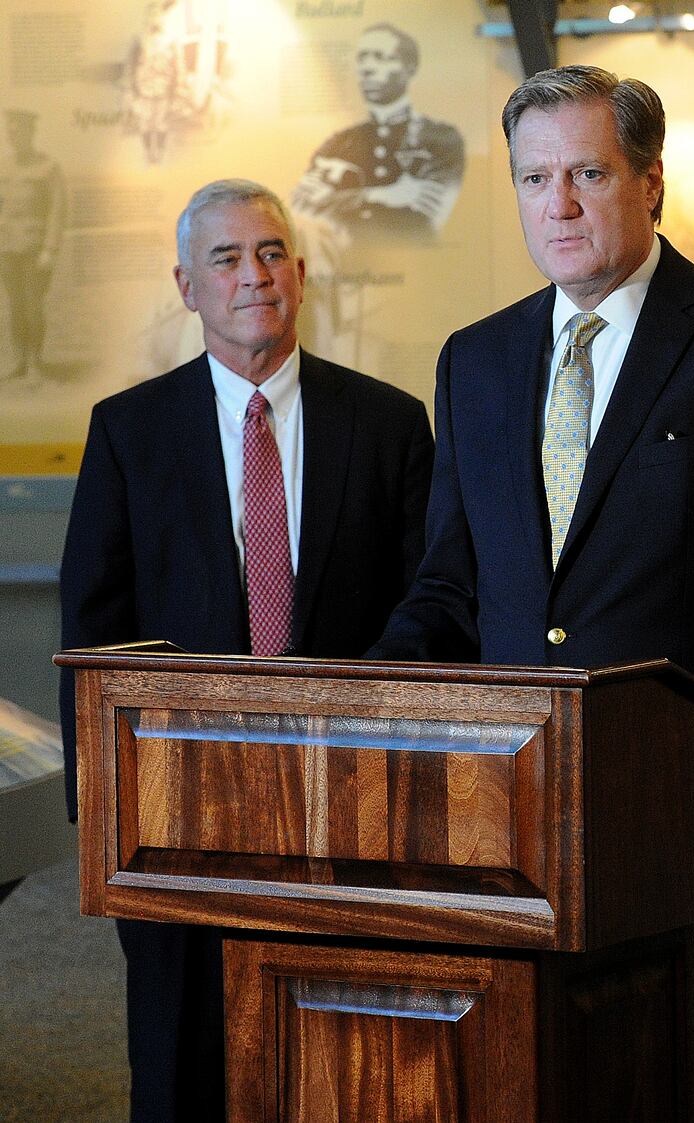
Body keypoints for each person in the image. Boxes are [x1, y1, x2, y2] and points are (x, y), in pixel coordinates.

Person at [367, 64, 694, 1063]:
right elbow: (449, 585)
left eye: (588, 176)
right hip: (498, 805)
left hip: (677, 801)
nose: (556, 204)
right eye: (532, 179)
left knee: (642, 1072)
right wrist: (359, 696)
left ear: (650, 180)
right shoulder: (473, 359)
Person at [59, 179, 433, 1122]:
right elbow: (92, 626)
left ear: (301, 275)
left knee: (349, 1056)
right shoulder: (128, 430)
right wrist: (101, 813)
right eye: (225, 258)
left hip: (350, 798)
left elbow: (432, 602)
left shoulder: (388, 424)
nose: (252, 275)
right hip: (176, 808)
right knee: (182, 1057)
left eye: (269, 252)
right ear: (187, 287)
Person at [291, 22, 464, 244]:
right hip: (345, 262)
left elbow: (430, 214)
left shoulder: (440, 139)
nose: (367, 67)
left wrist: (337, 200)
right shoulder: (339, 142)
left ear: (409, 68)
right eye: (362, 58)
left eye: (381, 57)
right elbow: (303, 208)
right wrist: (382, 195)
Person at [0, 108, 65, 380]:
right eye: (10, 131)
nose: (14, 136)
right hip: (7, 248)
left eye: (20, 131)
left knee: (33, 306)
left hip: (35, 250)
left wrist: (49, 249)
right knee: (15, 306)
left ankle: (35, 362)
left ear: (30, 133)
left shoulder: (48, 167)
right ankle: (18, 360)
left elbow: (57, 210)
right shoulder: (4, 165)